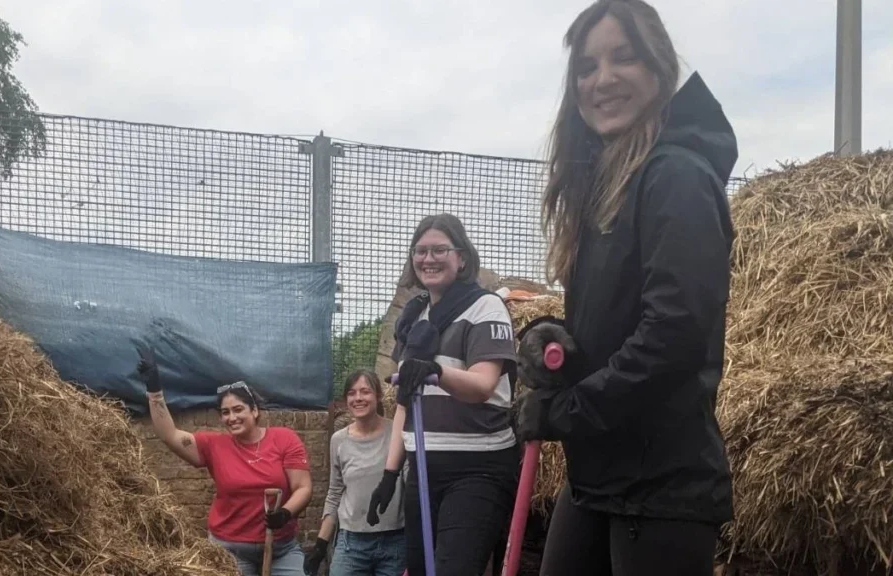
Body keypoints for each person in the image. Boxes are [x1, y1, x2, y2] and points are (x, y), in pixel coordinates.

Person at [514, 1, 736, 575]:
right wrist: (551, 335)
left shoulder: (677, 176)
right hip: (601, 476)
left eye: (623, 58)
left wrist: (569, 412)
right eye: (586, 67)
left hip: (661, 485)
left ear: (658, 69)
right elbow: (607, 325)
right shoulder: (610, 186)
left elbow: (673, 333)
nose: (602, 80)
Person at [366, 213, 520, 576]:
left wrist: (436, 371)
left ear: (462, 257)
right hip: (422, 467)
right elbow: (406, 401)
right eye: (420, 251)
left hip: (478, 468)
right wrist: (389, 474)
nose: (428, 259)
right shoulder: (414, 317)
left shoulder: (486, 307)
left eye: (439, 250)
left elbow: (483, 384)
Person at [135, 344, 312, 576]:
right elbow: (170, 435)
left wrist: (285, 513)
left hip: (280, 547)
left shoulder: (284, 439)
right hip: (230, 549)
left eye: (238, 409)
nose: (232, 417)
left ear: (254, 411)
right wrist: (154, 390)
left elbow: (303, 487)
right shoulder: (214, 445)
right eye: (225, 412)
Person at [303, 369, 407, 576]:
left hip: (395, 542)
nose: (358, 398)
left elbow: (410, 485)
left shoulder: (397, 433)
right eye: (352, 393)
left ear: (378, 396)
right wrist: (320, 546)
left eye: (365, 392)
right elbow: (334, 493)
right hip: (352, 543)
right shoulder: (339, 440)